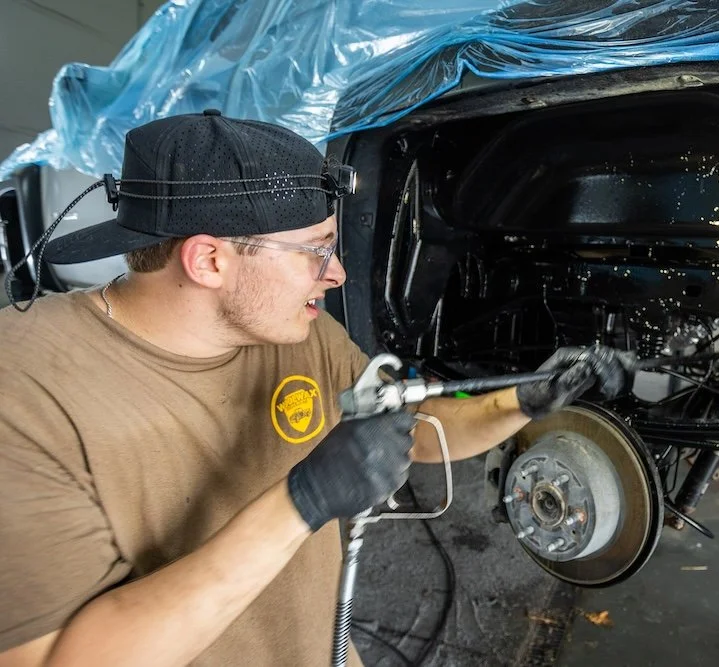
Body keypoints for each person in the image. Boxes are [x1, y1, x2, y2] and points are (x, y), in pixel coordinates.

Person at [0, 110, 636, 667]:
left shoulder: (295, 333)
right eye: (314, 251)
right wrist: (300, 503)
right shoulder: (23, 394)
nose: (337, 275)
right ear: (209, 260)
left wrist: (524, 398)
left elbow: (416, 430)